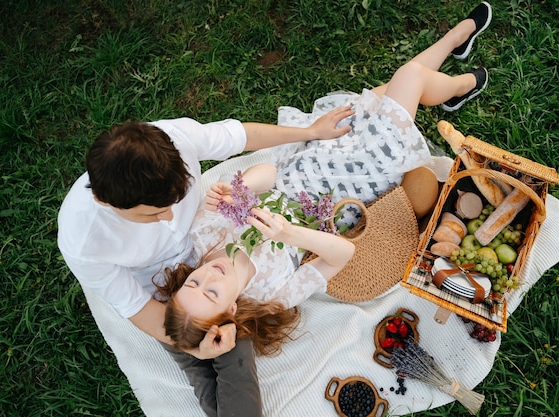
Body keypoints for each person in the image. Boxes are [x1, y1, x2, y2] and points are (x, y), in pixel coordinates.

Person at [157, 2, 493, 354]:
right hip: (346, 191)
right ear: (229, 310)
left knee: (390, 90)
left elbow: (269, 174)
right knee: (410, 77)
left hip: (308, 164)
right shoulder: (271, 295)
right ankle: (461, 83)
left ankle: (456, 44)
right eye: (211, 292)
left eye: (193, 282)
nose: (209, 275)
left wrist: (240, 188)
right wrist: (288, 233)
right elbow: (341, 253)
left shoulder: (204, 239)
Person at [56, 104, 354, 416]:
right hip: (165, 291)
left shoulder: (176, 145)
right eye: (154, 213)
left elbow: (241, 136)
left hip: (203, 260)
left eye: (175, 200)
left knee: (235, 363)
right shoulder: (84, 242)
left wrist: (310, 132)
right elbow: (138, 308)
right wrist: (197, 346)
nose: (170, 217)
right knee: (201, 358)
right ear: (105, 202)